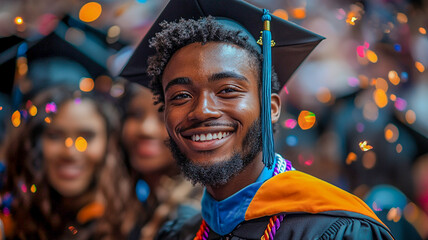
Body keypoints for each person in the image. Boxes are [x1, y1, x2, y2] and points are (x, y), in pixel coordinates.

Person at [120, 0, 395, 239]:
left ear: (272, 107)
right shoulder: (180, 233)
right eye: (180, 96)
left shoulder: (336, 229)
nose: (202, 110)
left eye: (227, 90)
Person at [0, 86, 138, 239]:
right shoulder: (12, 219)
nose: (70, 152)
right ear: (33, 143)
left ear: (109, 144)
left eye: (86, 137)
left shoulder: (132, 224)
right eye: (55, 136)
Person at [120, 81, 202, 240]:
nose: (146, 129)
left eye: (163, 116)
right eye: (135, 114)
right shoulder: (132, 202)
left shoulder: (191, 217)